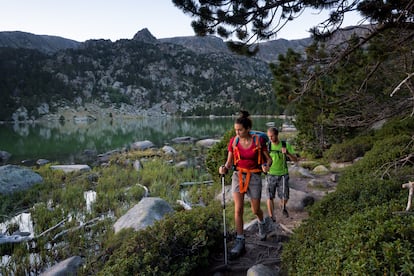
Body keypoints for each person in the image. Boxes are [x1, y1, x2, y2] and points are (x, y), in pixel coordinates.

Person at [219, 111, 272, 259]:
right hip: (238, 176)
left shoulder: (258, 141)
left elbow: (269, 160)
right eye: (236, 130)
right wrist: (224, 168)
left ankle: (262, 223)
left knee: (255, 209)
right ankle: (240, 240)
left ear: (248, 129)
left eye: (240, 130)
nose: (237, 132)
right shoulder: (234, 141)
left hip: (254, 176)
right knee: (238, 209)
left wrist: (266, 166)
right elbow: (229, 163)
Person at [266, 127, 298, 221]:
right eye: (269, 137)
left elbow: (295, 160)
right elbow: (263, 160)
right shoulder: (268, 146)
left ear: (276, 135)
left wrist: (287, 153)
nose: (270, 138)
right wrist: (265, 166)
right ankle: (272, 216)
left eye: (272, 136)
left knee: (285, 196)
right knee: (269, 196)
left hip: (283, 174)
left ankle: (282, 206)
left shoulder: (285, 145)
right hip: (270, 174)